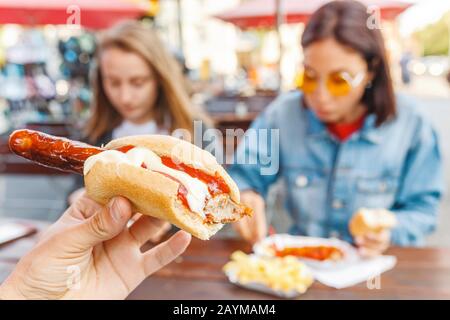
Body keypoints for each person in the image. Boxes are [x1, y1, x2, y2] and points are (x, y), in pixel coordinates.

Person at [229, 1, 444, 256]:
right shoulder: (283, 115)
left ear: (371, 70)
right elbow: (244, 176)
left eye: (339, 80)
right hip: (304, 272)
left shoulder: (411, 123)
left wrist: (391, 231)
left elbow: (423, 211)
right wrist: (246, 195)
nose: (321, 95)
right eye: (309, 76)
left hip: (380, 278)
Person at [68, 20, 212, 205]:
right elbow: (73, 192)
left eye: (138, 83)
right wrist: (79, 198)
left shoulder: (197, 131)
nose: (125, 97)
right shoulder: (93, 133)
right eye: (113, 82)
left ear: (160, 79)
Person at [0, 193, 191, 299]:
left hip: (143, 256)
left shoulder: (191, 131)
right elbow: (77, 192)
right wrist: (24, 294)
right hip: (106, 253)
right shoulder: (96, 131)